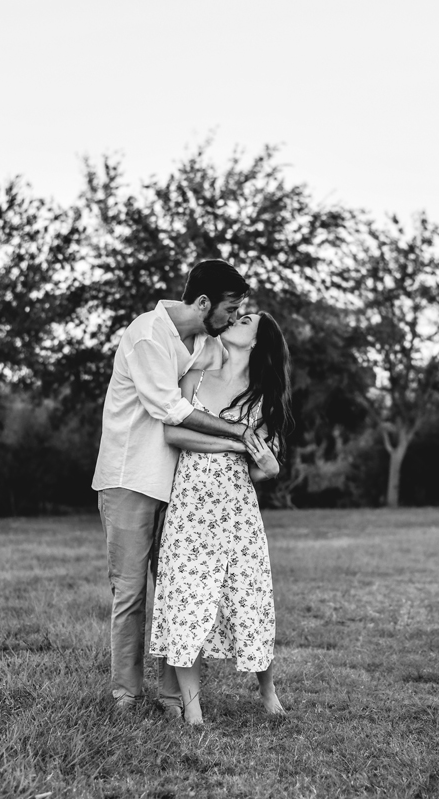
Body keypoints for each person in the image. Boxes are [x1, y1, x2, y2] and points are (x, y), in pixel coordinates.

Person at [91, 259, 262, 716]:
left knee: (176, 588)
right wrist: (236, 433)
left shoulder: (206, 339)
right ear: (203, 302)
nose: (232, 317)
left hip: (179, 485)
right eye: (229, 308)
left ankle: (173, 698)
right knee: (130, 591)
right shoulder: (148, 335)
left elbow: (237, 366)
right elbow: (173, 409)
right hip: (130, 477)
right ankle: (126, 695)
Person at [149, 311, 293, 725]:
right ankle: (193, 713)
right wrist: (232, 443)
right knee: (186, 602)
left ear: (257, 341)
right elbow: (172, 433)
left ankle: (267, 691)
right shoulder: (197, 372)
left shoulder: (263, 396)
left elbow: (266, 466)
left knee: (250, 598)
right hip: (190, 507)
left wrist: (268, 464)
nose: (235, 319)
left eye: (246, 320)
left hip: (236, 509)